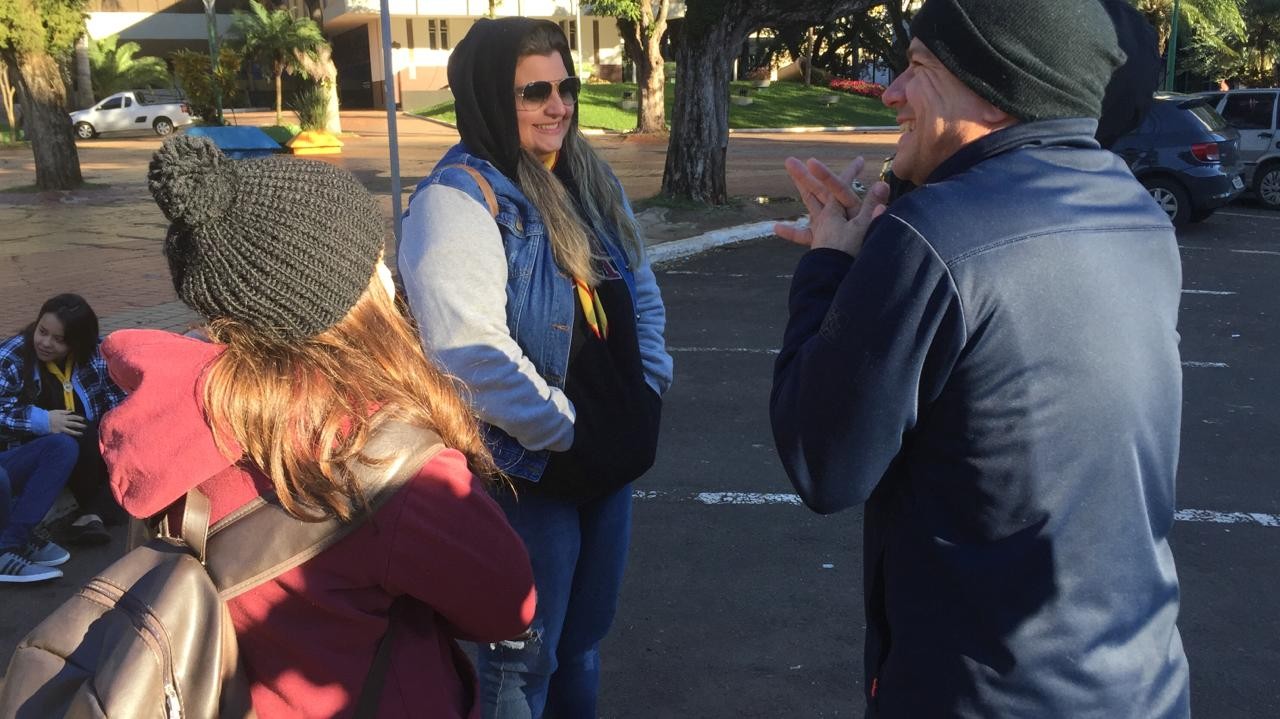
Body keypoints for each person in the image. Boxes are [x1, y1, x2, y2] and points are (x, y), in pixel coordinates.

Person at [770, 1, 1189, 717]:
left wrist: (830, 266)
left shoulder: (933, 234)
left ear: (994, 91)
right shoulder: (1136, 212)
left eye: (919, 68)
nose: (892, 92)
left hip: (986, 692)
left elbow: (824, 460)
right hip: (1142, 681)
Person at [98, 135, 536, 717]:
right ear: (346, 299)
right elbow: (508, 606)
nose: (388, 275)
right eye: (374, 262)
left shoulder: (172, 419)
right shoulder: (393, 466)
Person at [398, 18, 672, 718]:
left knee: (582, 641)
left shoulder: (585, 175)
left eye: (566, 86)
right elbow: (469, 354)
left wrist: (650, 382)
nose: (560, 105)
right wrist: (566, 429)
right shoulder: (458, 200)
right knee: (522, 662)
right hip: (532, 474)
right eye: (536, 92)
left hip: (606, 458)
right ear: (491, 98)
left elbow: (637, 283)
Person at [1, 293, 125, 550]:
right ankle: (97, 511)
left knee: (126, 438)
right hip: (31, 450)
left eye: (59, 339)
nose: (45, 343)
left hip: (90, 447)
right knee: (70, 441)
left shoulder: (97, 356)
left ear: (79, 343)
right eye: (42, 331)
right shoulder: (11, 357)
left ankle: (94, 514)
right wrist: (41, 420)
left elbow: (118, 401)